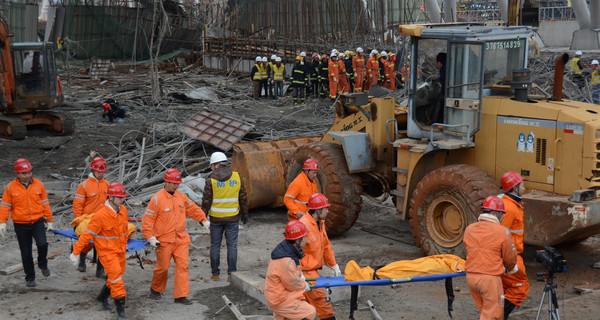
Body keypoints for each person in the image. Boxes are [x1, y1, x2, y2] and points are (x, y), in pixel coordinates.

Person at [142, 168, 209, 304]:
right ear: (166, 182)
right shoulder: (156, 199)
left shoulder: (181, 196)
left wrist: (203, 219)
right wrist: (150, 237)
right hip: (164, 241)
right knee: (163, 267)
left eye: (177, 183)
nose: (175, 185)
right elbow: (147, 221)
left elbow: (192, 208)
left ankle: (181, 296)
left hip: (180, 238)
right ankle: (156, 289)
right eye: (173, 183)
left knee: (182, 266)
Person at [70, 182, 130, 319]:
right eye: (119, 197)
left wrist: (124, 245)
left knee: (116, 277)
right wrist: (76, 252)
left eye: (123, 197)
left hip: (120, 251)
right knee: (117, 281)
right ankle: (121, 313)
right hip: (107, 253)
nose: (122, 200)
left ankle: (102, 297)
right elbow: (87, 235)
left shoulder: (124, 210)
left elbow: (125, 231)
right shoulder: (100, 216)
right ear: (110, 197)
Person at [0, 159, 53, 288]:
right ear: (17, 174)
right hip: (21, 224)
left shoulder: (39, 185)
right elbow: (5, 206)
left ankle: (42, 263)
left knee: (42, 244)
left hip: (37, 221)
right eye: (24, 173)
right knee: (26, 252)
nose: (27, 175)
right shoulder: (10, 187)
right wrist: (2, 222)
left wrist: (50, 220)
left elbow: (45, 203)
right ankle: (30, 277)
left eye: (29, 172)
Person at [464, 196, 518, 320]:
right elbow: (510, 258)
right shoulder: (502, 231)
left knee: (485, 311)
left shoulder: (470, 229)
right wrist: (510, 269)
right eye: (501, 214)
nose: (503, 217)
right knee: (493, 314)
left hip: (471, 277)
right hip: (490, 279)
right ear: (494, 213)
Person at [201, 152, 248, 282]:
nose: (211, 168)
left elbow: (206, 200)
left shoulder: (211, 180)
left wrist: (202, 216)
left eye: (211, 165)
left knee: (215, 245)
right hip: (233, 218)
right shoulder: (237, 177)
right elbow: (243, 197)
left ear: (216, 165)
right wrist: (245, 213)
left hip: (216, 219)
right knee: (232, 245)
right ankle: (231, 273)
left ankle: (215, 274)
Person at [299, 193, 342, 320]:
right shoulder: (303, 225)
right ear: (317, 210)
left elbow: (326, 246)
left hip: (312, 271)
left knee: (304, 310)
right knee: (324, 307)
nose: (328, 211)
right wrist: (297, 272)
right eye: (325, 208)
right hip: (305, 272)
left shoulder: (320, 223)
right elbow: (291, 252)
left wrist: (333, 264)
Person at [265, 221, 317, 320]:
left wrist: (302, 279)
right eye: (305, 236)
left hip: (277, 295)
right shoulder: (286, 260)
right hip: (280, 299)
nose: (307, 239)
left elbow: (292, 274)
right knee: (309, 312)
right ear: (297, 240)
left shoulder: (286, 251)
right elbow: (293, 283)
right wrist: (304, 285)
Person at [499, 171, 529, 319]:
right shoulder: (510, 208)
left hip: (510, 254)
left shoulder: (512, 205)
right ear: (514, 187)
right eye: (522, 185)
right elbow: (500, 235)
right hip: (509, 255)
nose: (524, 188)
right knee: (519, 287)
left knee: (506, 289)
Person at [72, 156, 109, 276]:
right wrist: (78, 221)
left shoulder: (107, 185)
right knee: (87, 243)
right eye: (99, 172)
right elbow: (78, 204)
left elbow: (110, 203)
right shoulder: (84, 185)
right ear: (93, 170)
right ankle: (82, 258)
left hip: (103, 220)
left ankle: (100, 270)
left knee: (103, 246)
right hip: (87, 220)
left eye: (103, 172)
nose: (101, 174)